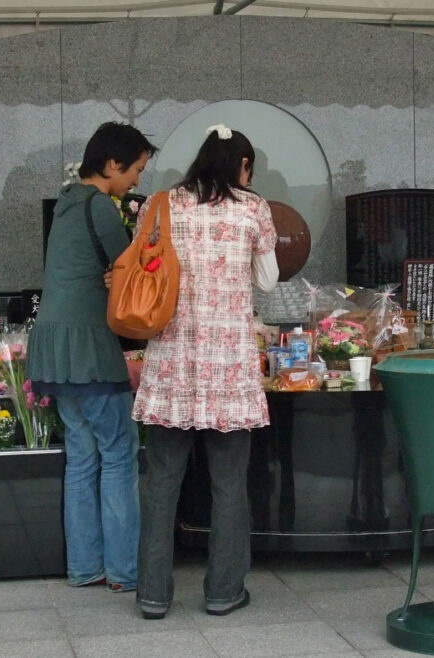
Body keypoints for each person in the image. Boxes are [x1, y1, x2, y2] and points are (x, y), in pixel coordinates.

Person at [133, 124, 278, 620]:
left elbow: (143, 266)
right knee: (229, 485)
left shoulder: (161, 205)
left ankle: (152, 595)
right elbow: (268, 279)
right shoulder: (253, 208)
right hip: (229, 368)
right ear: (242, 166)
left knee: (160, 485)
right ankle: (223, 592)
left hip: (170, 365)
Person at [27, 121, 158, 593]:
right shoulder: (101, 206)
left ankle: (84, 568)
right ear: (111, 164)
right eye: (136, 170)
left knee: (80, 458)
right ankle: (123, 571)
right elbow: (135, 270)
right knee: (120, 455)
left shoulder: (67, 202)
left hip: (54, 347)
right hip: (88, 347)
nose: (138, 181)